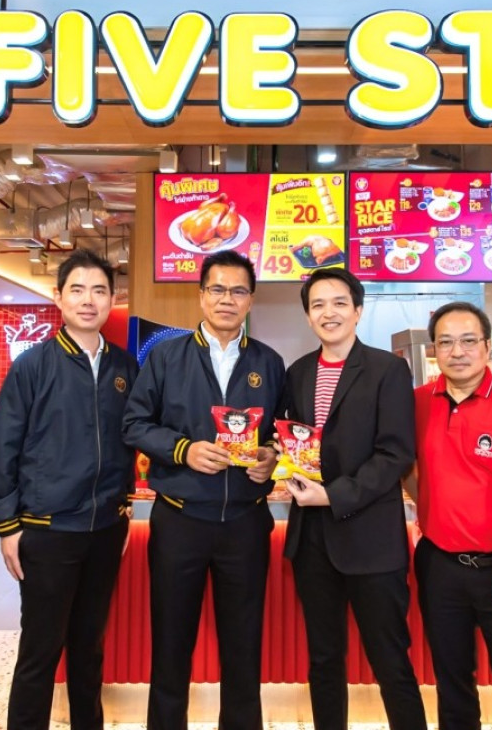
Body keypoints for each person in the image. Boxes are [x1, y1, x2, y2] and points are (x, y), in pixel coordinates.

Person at [123, 250, 284, 730]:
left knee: (244, 646)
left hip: (246, 523)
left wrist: (271, 459)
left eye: (238, 290)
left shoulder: (269, 361)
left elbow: (285, 434)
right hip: (180, 520)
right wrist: (183, 450)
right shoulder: (166, 356)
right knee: (171, 644)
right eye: (217, 289)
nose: (227, 299)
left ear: (250, 299)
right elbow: (134, 423)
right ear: (201, 295)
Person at [0, 249, 138, 730]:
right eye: (78, 290)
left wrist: (125, 503)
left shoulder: (124, 367)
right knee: (40, 650)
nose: (89, 300)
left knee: (89, 648)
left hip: (105, 528)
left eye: (99, 291)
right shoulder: (33, 365)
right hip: (47, 529)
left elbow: (130, 438)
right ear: (59, 297)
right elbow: (3, 446)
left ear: (113, 298)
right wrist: (8, 525)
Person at [280, 268, 425, 730]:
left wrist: (332, 495)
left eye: (340, 302)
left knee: (390, 660)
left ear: (358, 310)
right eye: (318, 305)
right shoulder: (297, 372)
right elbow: (296, 442)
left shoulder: (388, 369)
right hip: (312, 542)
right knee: (324, 660)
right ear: (308, 316)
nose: (330, 313)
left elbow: (395, 453)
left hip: (372, 542)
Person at [405, 302, 492, 730]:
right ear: (434, 350)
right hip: (439, 565)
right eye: (446, 342)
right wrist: (433, 511)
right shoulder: (418, 401)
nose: (457, 351)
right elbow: (406, 470)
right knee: (452, 685)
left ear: (487, 347)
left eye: (469, 341)